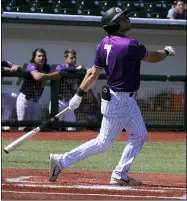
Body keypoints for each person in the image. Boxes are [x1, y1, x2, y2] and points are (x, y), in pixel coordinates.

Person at [49, 7, 176, 185]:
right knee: (103, 143)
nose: (127, 18)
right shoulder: (131, 44)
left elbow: (93, 73)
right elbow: (153, 57)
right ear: (116, 23)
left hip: (123, 99)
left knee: (139, 134)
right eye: (123, 17)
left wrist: (79, 94)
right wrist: (167, 52)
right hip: (119, 100)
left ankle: (120, 173)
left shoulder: (103, 43)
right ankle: (61, 160)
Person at [16, 48, 59, 131]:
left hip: (36, 101)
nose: (41, 58)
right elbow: (37, 77)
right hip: (25, 100)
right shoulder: (31, 65)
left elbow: (58, 74)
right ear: (34, 58)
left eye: (43, 56)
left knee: (36, 129)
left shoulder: (47, 67)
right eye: (39, 56)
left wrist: (46, 76)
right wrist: (48, 76)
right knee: (23, 128)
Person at [49, 49, 86, 131]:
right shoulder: (61, 67)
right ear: (66, 59)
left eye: (75, 58)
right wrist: (76, 69)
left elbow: (86, 70)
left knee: (71, 129)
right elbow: (59, 70)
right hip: (59, 102)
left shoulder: (79, 69)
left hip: (69, 104)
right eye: (72, 58)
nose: (74, 60)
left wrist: (83, 68)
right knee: (57, 128)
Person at [1, 60, 22, 131]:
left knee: (12, 97)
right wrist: (9, 69)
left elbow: (18, 67)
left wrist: (15, 68)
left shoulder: (3, 62)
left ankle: (3, 121)